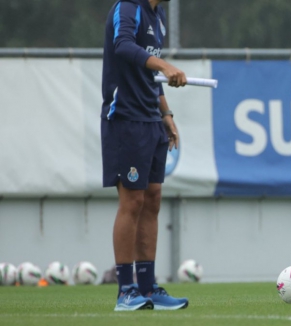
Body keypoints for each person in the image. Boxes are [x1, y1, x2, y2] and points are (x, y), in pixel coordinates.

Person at [101, 0, 189, 311]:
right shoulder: (128, 7)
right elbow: (123, 46)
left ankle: (148, 288)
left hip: (151, 119)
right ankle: (126, 291)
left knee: (152, 200)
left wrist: (166, 114)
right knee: (132, 201)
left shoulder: (158, 15)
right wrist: (166, 66)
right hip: (125, 118)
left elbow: (149, 75)